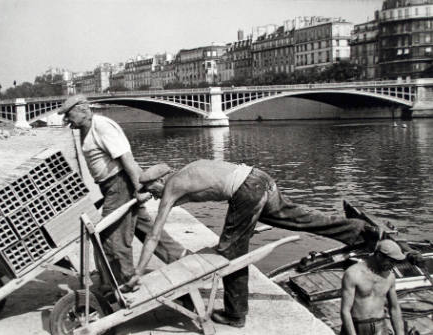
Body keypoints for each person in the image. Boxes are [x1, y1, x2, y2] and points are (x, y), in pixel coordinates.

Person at [125, 159, 381, 328]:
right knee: (299, 218)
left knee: (230, 253)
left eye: (152, 190)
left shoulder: (172, 185)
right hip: (260, 178)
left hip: (247, 191)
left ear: (160, 181)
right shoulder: (186, 171)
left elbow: (154, 234)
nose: (154, 196)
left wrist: (138, 272)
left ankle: (235, 314)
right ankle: (359, 232)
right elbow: (208, 186)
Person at [57, 94, 186, 285]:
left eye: (69, 114)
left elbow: (126, 158)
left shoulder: (101, 126)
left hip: (119, 184)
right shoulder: (86, 128)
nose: (66, 120)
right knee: (145, 228)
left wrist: (138, 188)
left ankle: (124, 279)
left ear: (83, 110)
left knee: (112, 236)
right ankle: (181, 258)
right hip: (111, 186)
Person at [341, 239, 405, 335]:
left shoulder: (390, 277)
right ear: (379, 256)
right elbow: (345, 311)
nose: (393, 266)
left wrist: (400, 333)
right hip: (357, 327)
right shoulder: (353, 274)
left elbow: (394, 308)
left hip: (380, 326)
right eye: (391, 261)